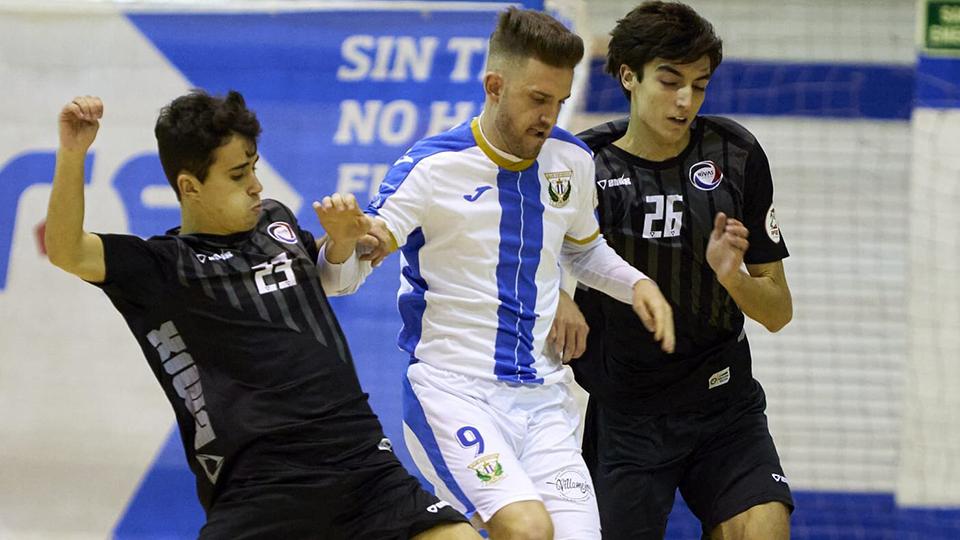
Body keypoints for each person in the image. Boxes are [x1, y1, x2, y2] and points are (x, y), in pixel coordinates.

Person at [45, 90, 481, 540]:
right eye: (237, 175)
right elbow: (67, 249)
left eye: (253, 167)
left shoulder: (278, 222)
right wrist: (73, 154)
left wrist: (346, 241)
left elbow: (332, 275)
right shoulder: (160, 268)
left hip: (361, 464)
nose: (255, 184)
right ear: (189, 186)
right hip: (262, 487)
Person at [316, 7, 675, 540]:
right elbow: (340, 278)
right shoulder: (430, 168)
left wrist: (638, 285)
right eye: (537, 99)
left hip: (545, 400)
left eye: (557, 100)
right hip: (454, 393)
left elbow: (582, 250)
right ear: (493, 85)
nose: (549, 115)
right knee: (527, 530)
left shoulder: (571, 163)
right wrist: (341, 243)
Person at [571, 2, 795, 539]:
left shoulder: (734, 153)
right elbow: (541, 270)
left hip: (724, 405)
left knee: (764, 527)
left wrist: (732, 276)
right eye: (670, 82)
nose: (685, 100)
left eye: (699, 85)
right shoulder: (584, 166)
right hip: (629, 417)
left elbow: (779, 313)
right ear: (628, 75)